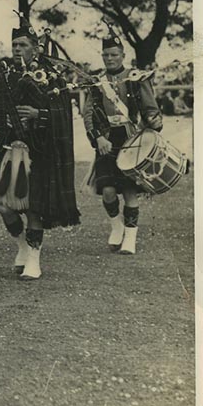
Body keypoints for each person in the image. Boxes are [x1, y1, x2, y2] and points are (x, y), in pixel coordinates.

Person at [0, 19, 80, 280]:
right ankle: (23, 245)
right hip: (11, 149)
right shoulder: (3, 76)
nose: (16, 49)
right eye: (14, 44)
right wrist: (3, 122)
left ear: (36, 48)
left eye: (22, 44)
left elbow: (63, 113)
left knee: (34, 208)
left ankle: (34, 260)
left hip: (40, 149)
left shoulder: (52, 76)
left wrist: (38, 114)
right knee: (4, 207)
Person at [81, 30, 163, 255]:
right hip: (107, 139)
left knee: (129, 191)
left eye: (114, 55)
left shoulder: (135, 77)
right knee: (108, 190)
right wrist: (97, 137)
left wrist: (153, 130)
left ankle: (130, 238)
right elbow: (88, 113)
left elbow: (151, 109)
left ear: (122, 54)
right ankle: (116, 226)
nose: (110, 59)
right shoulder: (97, 81)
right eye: (106, 55)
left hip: (131, 139)